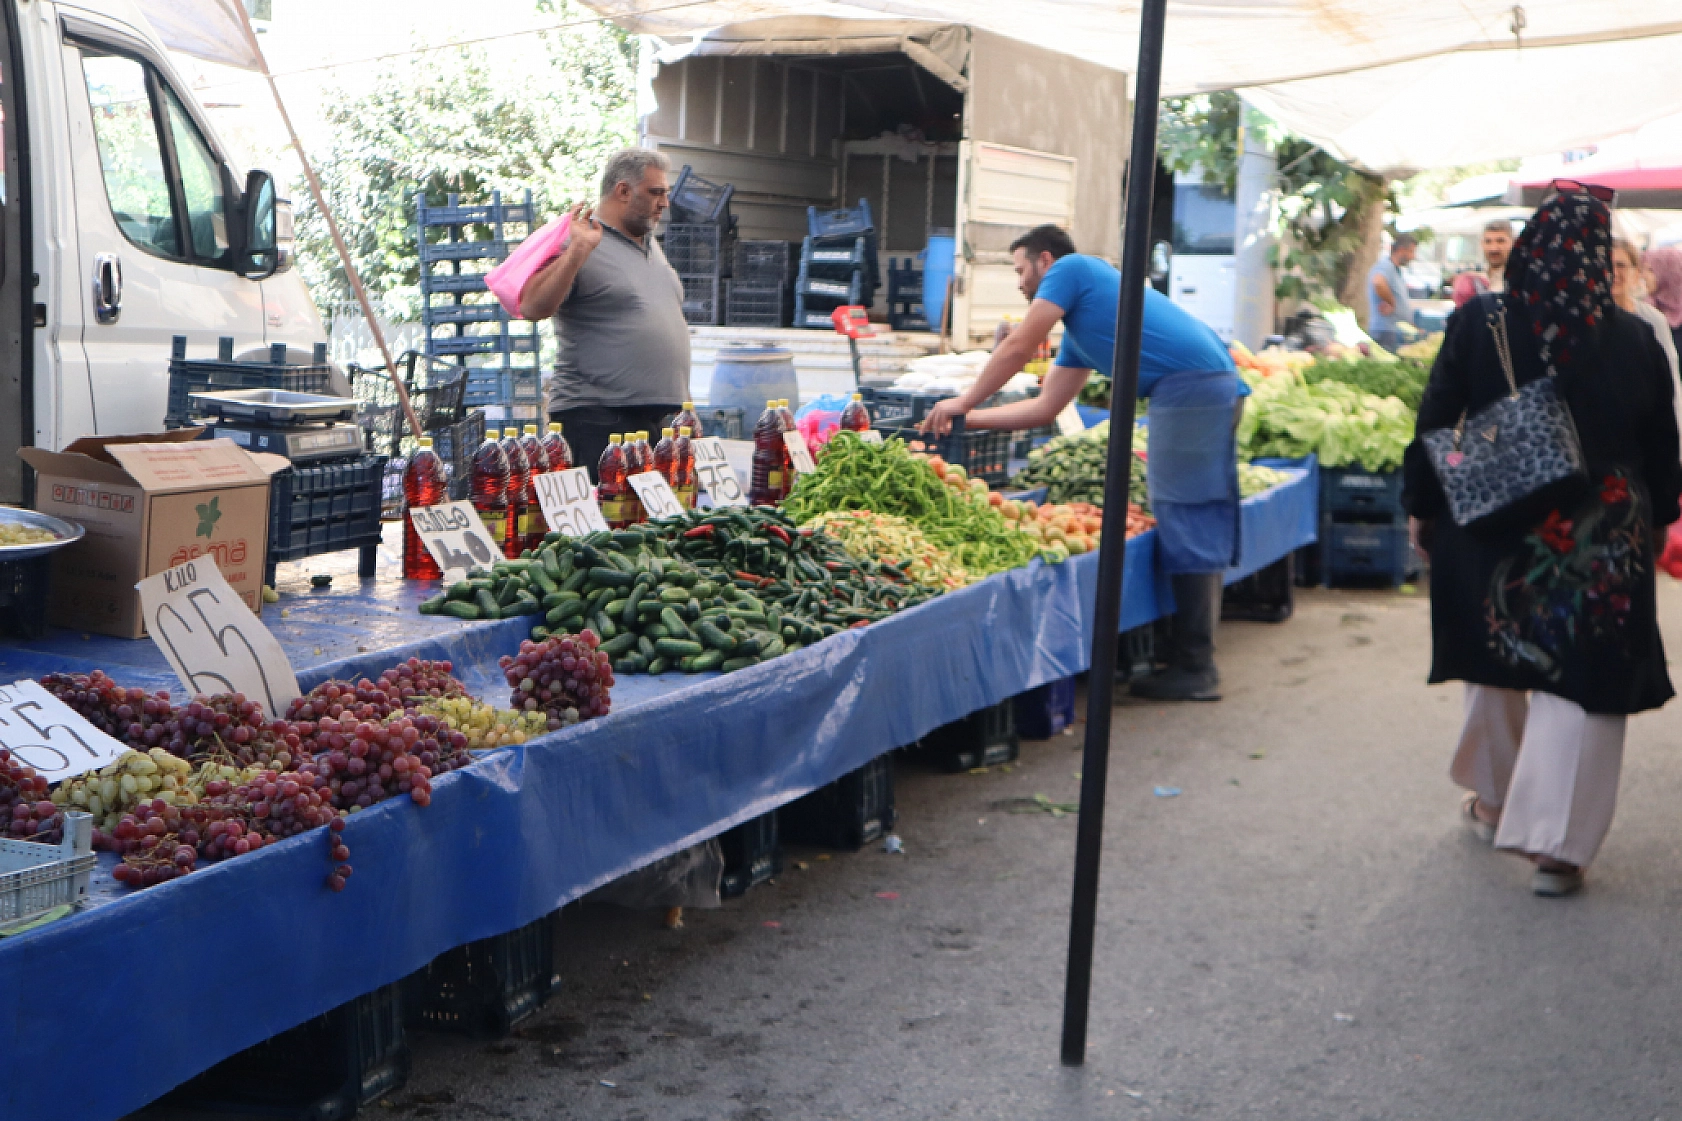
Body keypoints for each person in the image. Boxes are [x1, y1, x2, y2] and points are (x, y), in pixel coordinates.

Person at [1402, 189, 1681, 898]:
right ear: (1597, 261)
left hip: (1493, 522)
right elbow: (1661, 447)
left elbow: (1437, 420)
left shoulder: (1477, 321)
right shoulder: (1635, 337)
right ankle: (1558, 849)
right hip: (1602, 535)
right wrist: (1657, 525)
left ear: (1527, 250)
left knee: (1495, 657)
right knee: (1586, 686)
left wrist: (1422, 509)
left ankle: (1496, 803)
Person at [920, 225, 1249, 702]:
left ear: (1045, 261)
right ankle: (1189, 656)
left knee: (1186, 512)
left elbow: (1018, 348)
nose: (1019, 283)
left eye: (1019, 270)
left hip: (1194, 388)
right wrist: (967, 420)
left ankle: (1196, 666)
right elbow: (1044, 409)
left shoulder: (1074, 268)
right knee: (1181, 510)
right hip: (1195, 389)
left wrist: (964, 398)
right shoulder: (1082, 330)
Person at [521, 148, 689, 473]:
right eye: (655, 193)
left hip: (651, 422)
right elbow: (531, 306)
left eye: (665, 193)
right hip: (596, 418)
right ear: (623, 191)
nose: (665, 203)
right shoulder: (580, 239)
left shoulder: (649, 243)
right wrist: (578, 251)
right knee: (608, 522)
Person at [1612, 239, 1682, 444]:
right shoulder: (1589, 320)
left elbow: (1671, 380)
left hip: (1647, 424)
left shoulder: (1652, 319)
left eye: (1621, 265)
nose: (1614, 272)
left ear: (1635, 272)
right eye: (1608, 265)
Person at [1367, 233, 1417, 351]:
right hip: (1385, 331)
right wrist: (1391, 302)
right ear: (1401, 250)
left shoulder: (1395, 270)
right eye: (1411, 251)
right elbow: (1378, 282)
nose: (1413, 256)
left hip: (1393, 331)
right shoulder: (1386, 266)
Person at [1449, 218, 1514, 308]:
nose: (1493, 248)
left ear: (1513, 243)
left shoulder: (1521, 280)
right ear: (1482, 244)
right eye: (1488, 241)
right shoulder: (1473, 282)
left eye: (1500, 241)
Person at [1644, 245, 1682, 359]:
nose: (1644, 276)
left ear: (1670, 273)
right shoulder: (1645, 310)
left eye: (1651, 270)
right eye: (1644, 269)